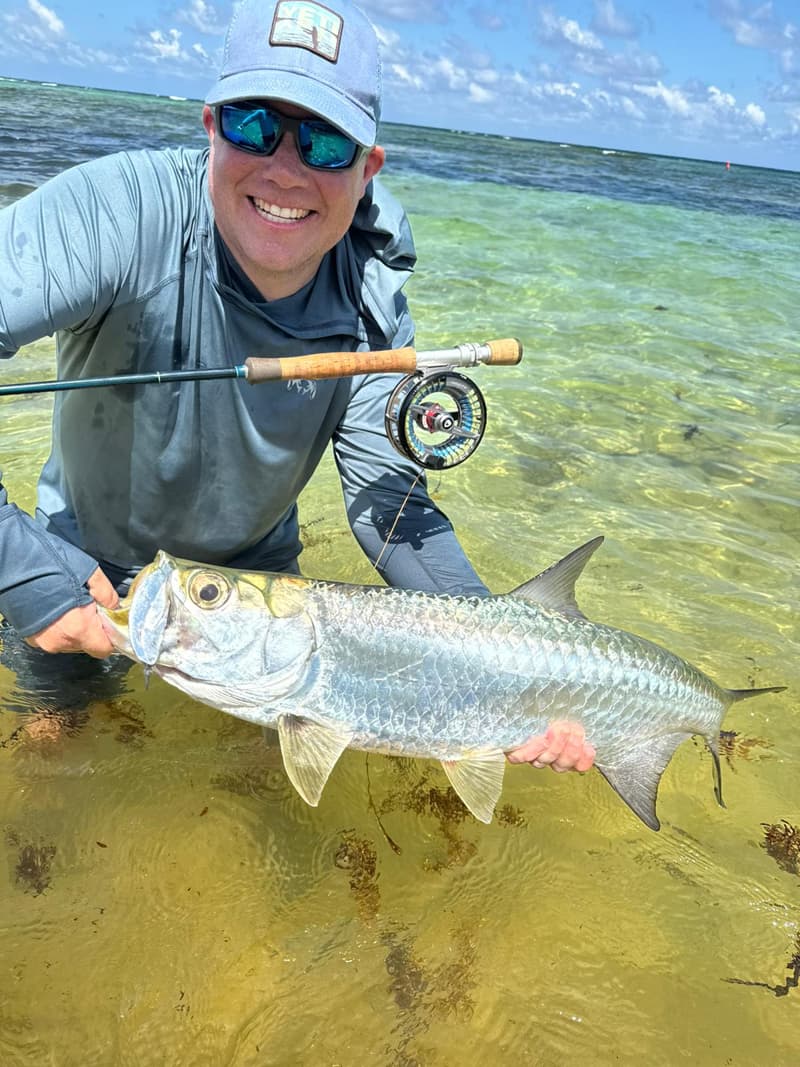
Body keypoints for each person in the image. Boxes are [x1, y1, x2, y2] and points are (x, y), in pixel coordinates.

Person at [0, 0, 594, 775]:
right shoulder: (114, 212)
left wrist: (501, 654)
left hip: (264, 596)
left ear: (368, 165)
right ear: (211, 123)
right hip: (82, 568)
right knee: (52, 775)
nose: (285, 169)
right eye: (255, 125)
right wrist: (19, 567)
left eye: (324, 142)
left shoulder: (372, 301)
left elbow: (393, 509)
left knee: (261, 810)